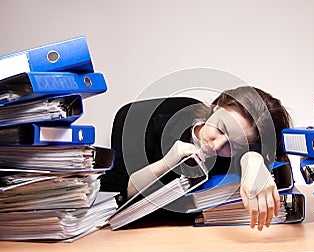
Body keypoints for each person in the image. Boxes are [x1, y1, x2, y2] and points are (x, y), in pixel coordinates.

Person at [100, 86, 292, 231]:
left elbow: (259, 150)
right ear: (217, 108)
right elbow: (118, 195)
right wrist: (167, 163)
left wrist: (253, 161)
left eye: (234, 145)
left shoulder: (239, 152)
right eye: (220, 129)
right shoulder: (145, 120)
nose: (217, 146)